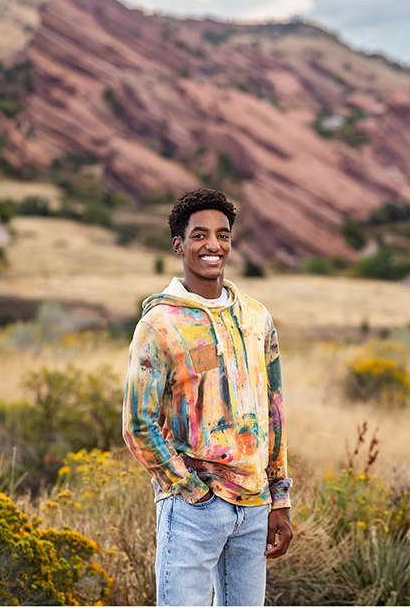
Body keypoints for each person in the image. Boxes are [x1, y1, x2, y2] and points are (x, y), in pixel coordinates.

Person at [122, 188, 293, 606]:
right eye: (199, 236)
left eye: (223, 235)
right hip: (194, 509)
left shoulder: (256, 317)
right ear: (179, 245)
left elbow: (274, 412)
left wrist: (279, 498)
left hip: (254, 507)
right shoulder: (160, 323)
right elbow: (137, 424)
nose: (213, 245)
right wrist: (187, 489)